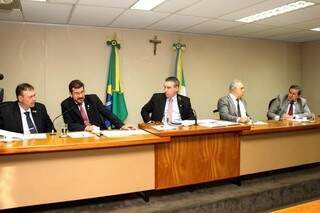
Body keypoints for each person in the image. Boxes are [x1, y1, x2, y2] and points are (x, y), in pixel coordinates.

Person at [61, 80, 134, 131]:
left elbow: (107, 113)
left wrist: (121, 125)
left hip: (99, 132)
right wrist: (86, 128)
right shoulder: (66, 104)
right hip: (81, 135)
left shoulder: (93, 99)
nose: (80, 95)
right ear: (71, 94)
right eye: (77, 93)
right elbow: (69, 125)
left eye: (82, 92)